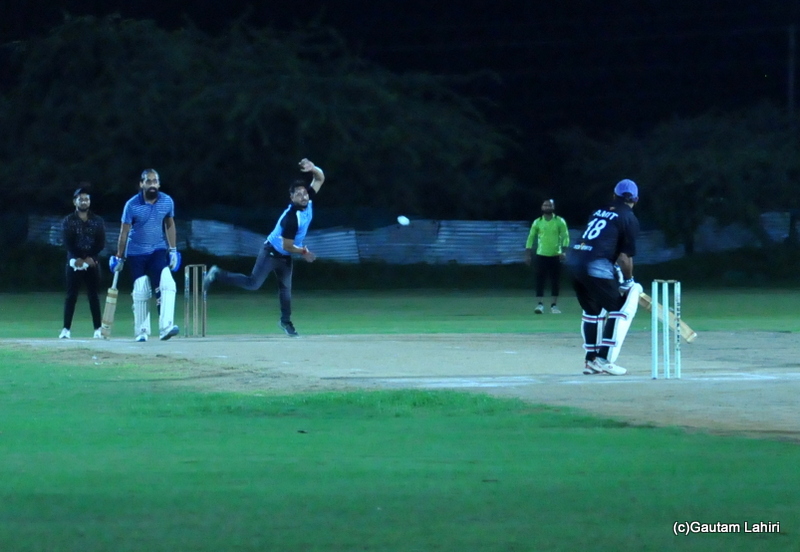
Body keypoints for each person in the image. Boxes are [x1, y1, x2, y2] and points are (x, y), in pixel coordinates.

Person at [203, 158, 324, 337]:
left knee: (286, 290)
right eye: (298, 194)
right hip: (271, 252)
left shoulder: (308, 200)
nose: (304, 195)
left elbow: (320, 179)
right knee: (253, 284)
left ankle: (285, 322)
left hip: (285, 256)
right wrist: (303, 251)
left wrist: (313, 168)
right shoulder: (291, 218)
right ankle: (216, 274)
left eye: (304, 192)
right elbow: (287, 245)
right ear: (292, 198)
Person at [566, 179, 641, 376]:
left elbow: (603, 243)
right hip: (596, 265)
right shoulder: (628, 217)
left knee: (592, 311)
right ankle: (604, 359)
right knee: (619, 309)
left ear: (614, 195)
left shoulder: (599, 211)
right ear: (636, 199)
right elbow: (625, 257)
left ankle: (591, 360)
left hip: (574, 262)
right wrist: (628, 281)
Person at [110, 169, 181, 342]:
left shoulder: (166, 201)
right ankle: (142, 330)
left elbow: (170, 225)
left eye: (154, 181)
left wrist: (173, 250)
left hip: (157, 250)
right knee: (141, 289)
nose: (152, 184)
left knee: (168, 283)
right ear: (141, 184)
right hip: (136, 252)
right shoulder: (132, 205)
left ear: (159, 184)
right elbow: (124, 232)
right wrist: (119, 256)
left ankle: (166, 327)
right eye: (148, 181)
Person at [59, 186, 106, 339]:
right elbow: (67, 242)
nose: (84, 202)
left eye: (86, 199)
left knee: (94, 296)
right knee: (71, 296)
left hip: (92, 262)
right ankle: (66, 329)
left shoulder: (97, 220)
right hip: (74, 262)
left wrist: (90, 257)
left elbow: (100, 242)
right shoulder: (68, 220)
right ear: (75, 202)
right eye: (81, 199)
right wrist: (78, 257)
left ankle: (98, 329)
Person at [525, 199, 570, 314]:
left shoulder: (559, 221)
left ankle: (554, 306)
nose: (547, 206)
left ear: (553, 207)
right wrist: (528, 254)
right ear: (542, 207)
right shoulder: (538, 222)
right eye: (545, 205)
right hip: (541, 255)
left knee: (555, 281)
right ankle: (539, 305)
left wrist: (564, 251)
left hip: (556, 255)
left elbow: (565, 236)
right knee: (540, 280)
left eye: (549, 205)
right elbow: (531, 237)